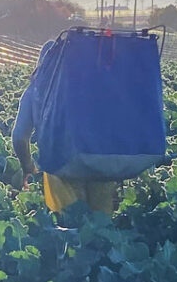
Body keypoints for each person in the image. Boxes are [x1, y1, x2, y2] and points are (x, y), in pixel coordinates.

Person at [13, 41, 119, 212]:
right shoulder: (94, 86)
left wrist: (28, 167)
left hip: (61, 166)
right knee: (102, 228)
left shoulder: (35, 90)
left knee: (70, 226)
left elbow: (19, 137)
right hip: (100, 164)